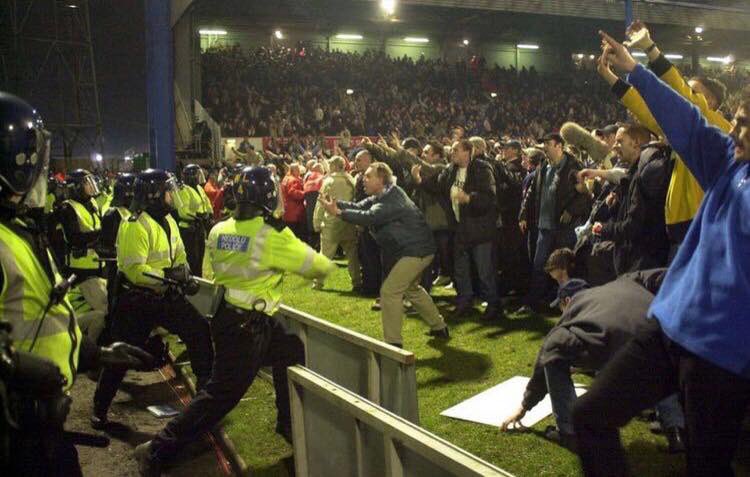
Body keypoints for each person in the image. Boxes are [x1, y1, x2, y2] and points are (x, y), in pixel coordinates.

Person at [571, 31, 750, 477]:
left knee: (707, 466)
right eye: (739, 120)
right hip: (670, 327)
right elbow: (686, 119)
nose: (737, 131)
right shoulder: (729, 160)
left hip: (722, 356)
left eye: (747, 124)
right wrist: (635, 71)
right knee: (588, 416)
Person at [135, 166, 334, 475]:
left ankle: (286, 421)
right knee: (220, 396)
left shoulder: (219, 229)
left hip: (234, 317)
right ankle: (159, 447)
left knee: (291, 350)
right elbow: (320, 267)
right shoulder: (271, 236)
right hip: (248, 327)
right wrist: (284, 238)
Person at [0, 91, 153, 476]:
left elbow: (45, 314)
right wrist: (21, 382)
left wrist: (92, 353)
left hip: (39, 423)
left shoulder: (16, 232)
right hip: (14, 433)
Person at [501, 269, 685, 453]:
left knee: (553, 351)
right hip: (661, 333)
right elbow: (662, 274)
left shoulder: (575, 307)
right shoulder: (624, 282)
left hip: (612, 338)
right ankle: (676, 430)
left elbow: (547, 355)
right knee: (655, 357)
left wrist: (525, 406)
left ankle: (569, 432)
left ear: (566, 302)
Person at [91, 169, 215, 429]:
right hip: (137, 301)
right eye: (169, 191)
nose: (173, 196)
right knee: (123, 353)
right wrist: (170, 275)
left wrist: (185, 275)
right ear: (155, 195)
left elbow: (179, 253)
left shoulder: (168, 221)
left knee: (199, 330)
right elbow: (135, 270)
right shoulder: (135, 224)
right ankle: (99, 408)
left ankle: (205, 398)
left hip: (165, 294)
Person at [319, 162, 448, 348]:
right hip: (416, 249)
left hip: (416, 251)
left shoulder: (392, 200)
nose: (364, 178)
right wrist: (336, 203)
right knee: (412, 289)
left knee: (390, 291)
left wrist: (338, 212)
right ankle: (439, 326)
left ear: (381, 179)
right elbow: (359, 207)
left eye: (369, 176)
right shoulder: (384, 194)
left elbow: (369, 217)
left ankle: (393, 344)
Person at [412, 139, 501, 320]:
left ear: (468, 152)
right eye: (452, 150)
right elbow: (438, 186)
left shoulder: (482, 169)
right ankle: (464, 302)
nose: (452, 153)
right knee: (460, 269)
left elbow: (490, 197)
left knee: (484, 270)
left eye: (456, 150)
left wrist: (469, 198)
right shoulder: (451, 170)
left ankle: (494, 305)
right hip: (460, 228)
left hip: (480, 229)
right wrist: (420, 181)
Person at [518, 133, 591, 313]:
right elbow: (532, 192)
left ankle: (568, 302)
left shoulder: (574, 167)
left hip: (565, 226)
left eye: (548, 144)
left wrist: (571, 210)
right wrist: (523, 214)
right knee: (540, 264)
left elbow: (586, 195)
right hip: (544, 226)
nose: (545, 148)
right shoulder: (543, 166)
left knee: (564, 266)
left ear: (559, 146)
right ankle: (535, 302)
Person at [589, 125, 672, 275]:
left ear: (636, 142)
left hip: (641, 262)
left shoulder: (645, 174)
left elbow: (634, 226)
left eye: (620, 141)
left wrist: (604, 228)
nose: (614, 146)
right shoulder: (635, 171)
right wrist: (616, 206)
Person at [58, 168, 108, 342]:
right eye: (87, 183)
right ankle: (88, 348)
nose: (91, 187)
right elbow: (75, 238)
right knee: (102, 311)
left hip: (97, 265)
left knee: (101, 308)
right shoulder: (67, 208)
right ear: (77, 187)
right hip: (81, 270)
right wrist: (102, 235)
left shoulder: (92, 203)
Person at [312, 156, 361, 291]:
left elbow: (321, 203)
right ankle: (357, 281)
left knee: (325, 254)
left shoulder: (328, 181)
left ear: (333, 166)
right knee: (352, 255)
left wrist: (316, 222)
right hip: (348, 220)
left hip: (331, 222)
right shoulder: (351, 180)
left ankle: (318, 282)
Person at [175, 164, 213, 276]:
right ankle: (192, 280)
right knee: (193, 258)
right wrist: (199, 215)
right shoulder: (183, 189)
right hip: (188, 229)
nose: (200, 176)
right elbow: (183, 211)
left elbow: (206, 202)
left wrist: (209, 214)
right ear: (191, 176)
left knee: (200, 256)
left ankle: (199, 279)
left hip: (199, 227)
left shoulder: (200, 188)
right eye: (197, 174)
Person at [280, 163, 306, 241]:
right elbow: (293, 193)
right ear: (293, 170)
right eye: (298, 170)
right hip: (294, 212)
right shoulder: (293, 180)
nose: (299, 172)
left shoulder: (286, 178)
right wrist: (305, 193)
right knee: (295, 235)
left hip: (287, 210)